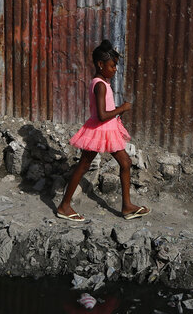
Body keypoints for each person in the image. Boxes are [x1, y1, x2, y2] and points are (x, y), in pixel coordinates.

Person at [56, 39, 150, 222]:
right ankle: (64, 205)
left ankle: (127, 206)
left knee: (125, 162)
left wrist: (116, 113)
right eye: (112, 65)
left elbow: (105, 111)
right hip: (100, 130)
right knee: (84, 165)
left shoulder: (102, 83)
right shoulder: (99, 84)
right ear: (100, 64)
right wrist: (121, 108)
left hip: (107, 129)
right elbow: (101, 115)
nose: (115, 69)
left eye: (115, 66)